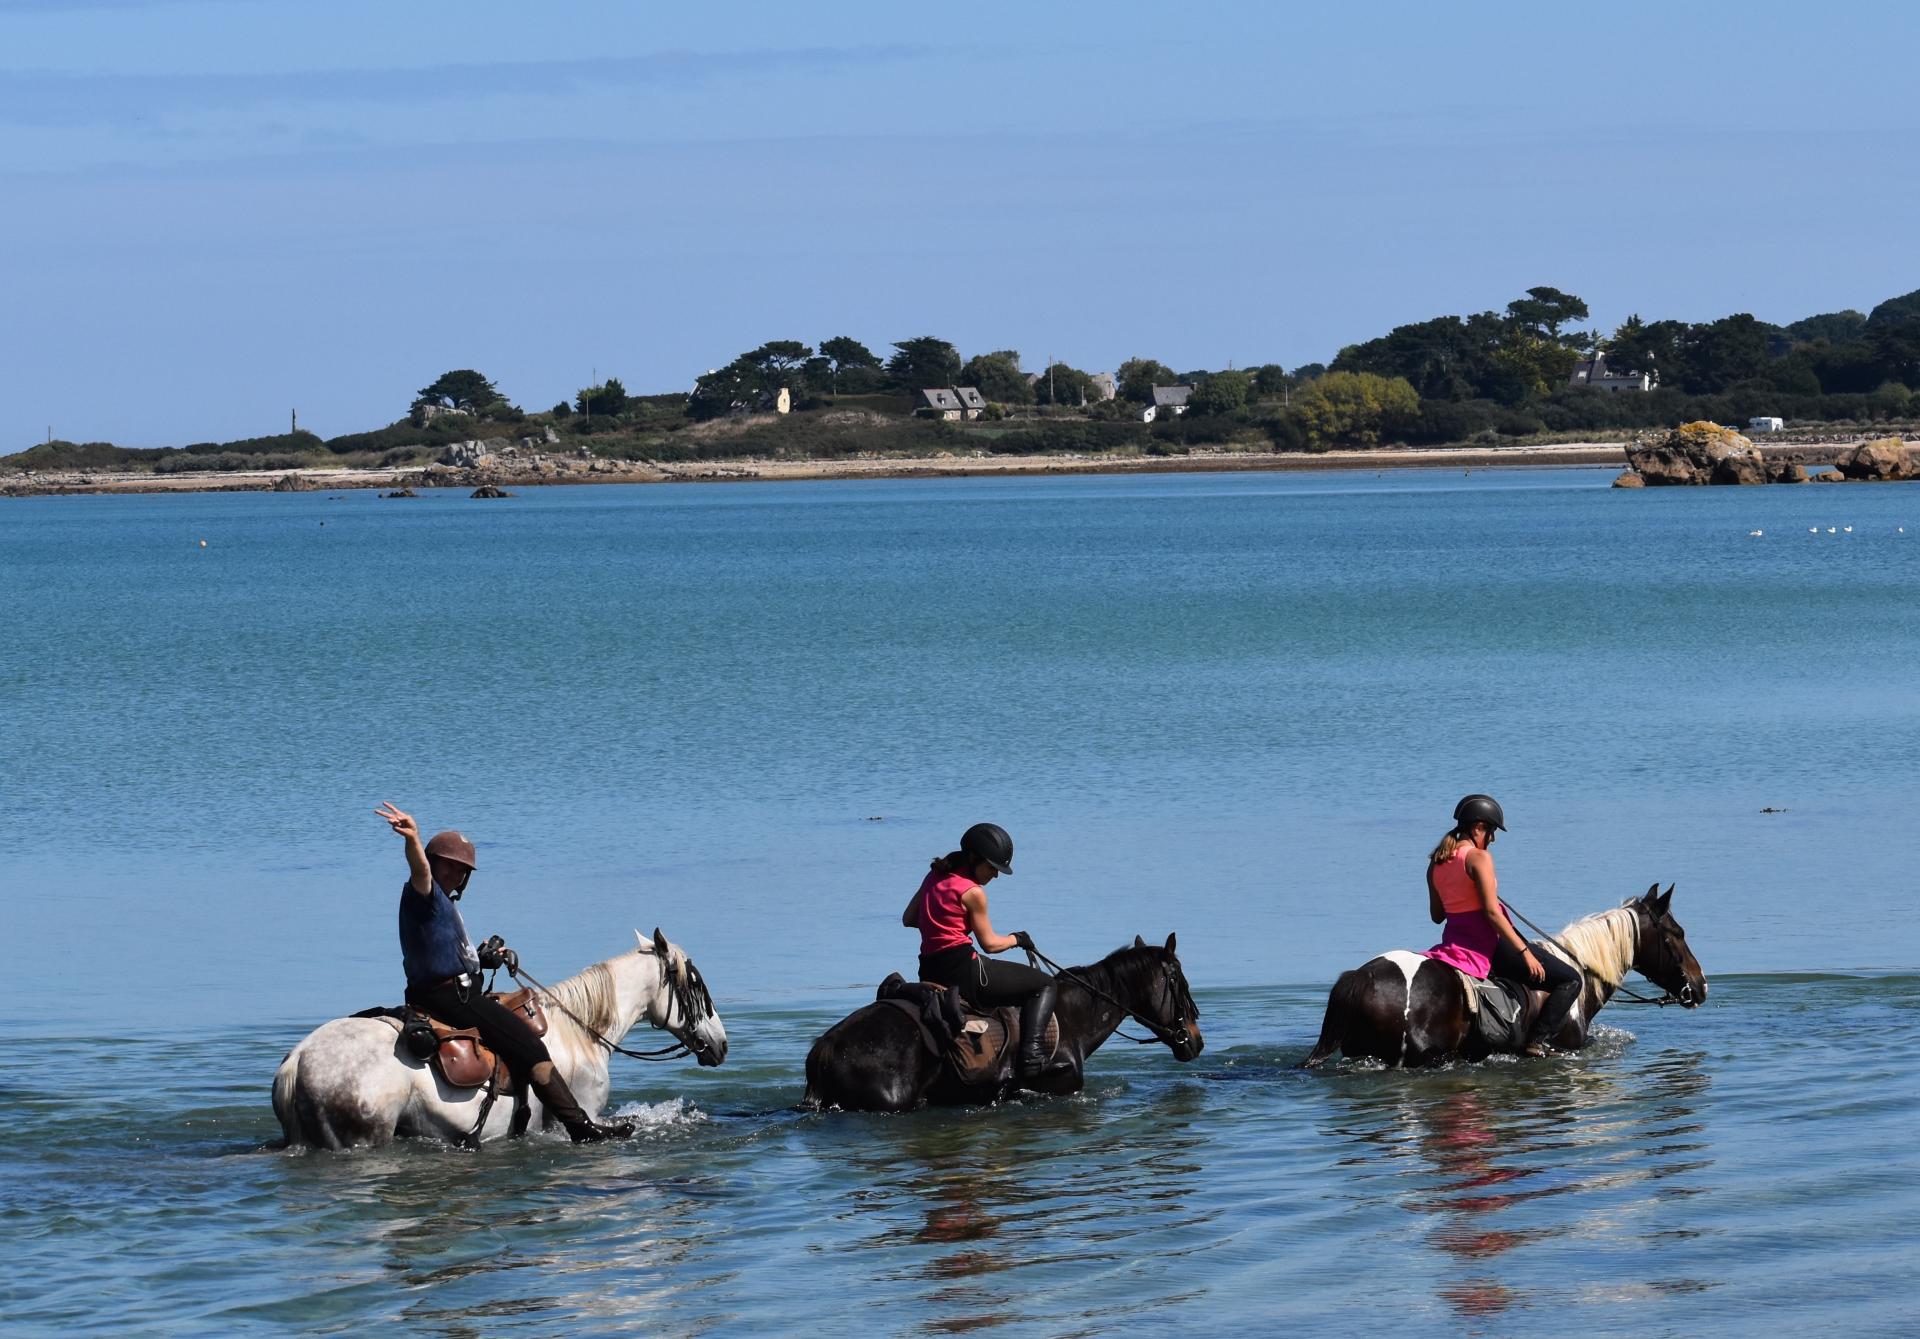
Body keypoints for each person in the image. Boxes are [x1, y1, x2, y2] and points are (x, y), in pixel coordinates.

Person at [376, 801, 633, 1141]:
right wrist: (412, 840)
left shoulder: (440, 906)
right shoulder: (425, 893)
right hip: (453, 998)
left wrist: (484, 959)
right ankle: (581, 1129)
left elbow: (441, 954)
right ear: (432, 864)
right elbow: (420, 872)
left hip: (440, 989)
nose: (453, 874)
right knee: (532, 1048)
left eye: (460, 870)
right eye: (446, 867)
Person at [1424, 794, 1580, 1057]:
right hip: (1490, 945)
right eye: (1492, 832)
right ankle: (1537, 1041)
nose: (1493, 840)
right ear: (1478, 828)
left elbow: (1437, 916)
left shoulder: (1436, 862)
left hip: (1454, 944)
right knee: (1571, 979)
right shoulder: (1478, 858)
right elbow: (1492, 914)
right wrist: (1524, 952)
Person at [901, 822, 1061, 1077]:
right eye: (992, 868)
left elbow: (909, 918)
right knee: (1045, 984)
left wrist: (939, 919)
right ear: (974, 858)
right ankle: (1033, 1056)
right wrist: (1017, 939)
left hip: (929, 970)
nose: (995, 875)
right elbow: (990, 944)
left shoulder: (934, 875)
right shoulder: (973, 892)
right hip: (964, 972)